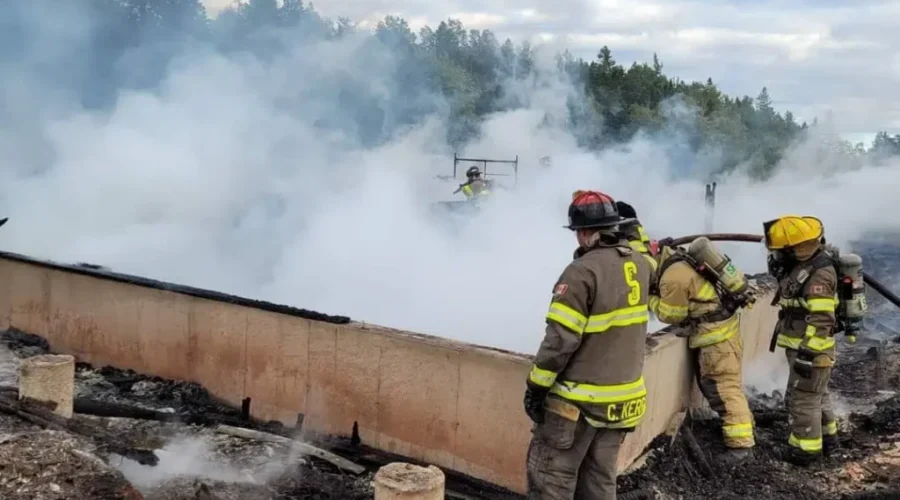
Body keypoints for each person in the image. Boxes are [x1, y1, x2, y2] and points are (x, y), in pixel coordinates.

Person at [524, 190, 653, 500]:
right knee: (599, 483)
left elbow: (559, 341)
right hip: (622, 404)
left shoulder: (582, 272)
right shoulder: (640, 264)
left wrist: (536, 387)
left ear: (582, 233)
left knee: (550, 481)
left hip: (576, 405)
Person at [650, 238, 756, 465]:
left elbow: (671, 315)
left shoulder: (672, 277)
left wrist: (649, 299)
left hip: (716, 341)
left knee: (723, 389)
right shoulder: (677, 260)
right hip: (722, 336)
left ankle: (740, 447)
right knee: (727, 387)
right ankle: (744, 427)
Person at [763, 215, 839, 465]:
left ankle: (804, 451)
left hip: (812, 351)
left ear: (796, 249)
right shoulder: (806, 267)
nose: (777, 257)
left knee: (803, 400)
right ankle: (829, 440)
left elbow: (822, 319)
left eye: (781, 252)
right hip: (808, 348)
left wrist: (807, 354)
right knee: (817, 395)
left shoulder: (819, 276)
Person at [615, 201, 659, 273]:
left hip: (635, 266)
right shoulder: (639, 230)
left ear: (621, 219)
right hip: (649, 265)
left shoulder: (622, 234)